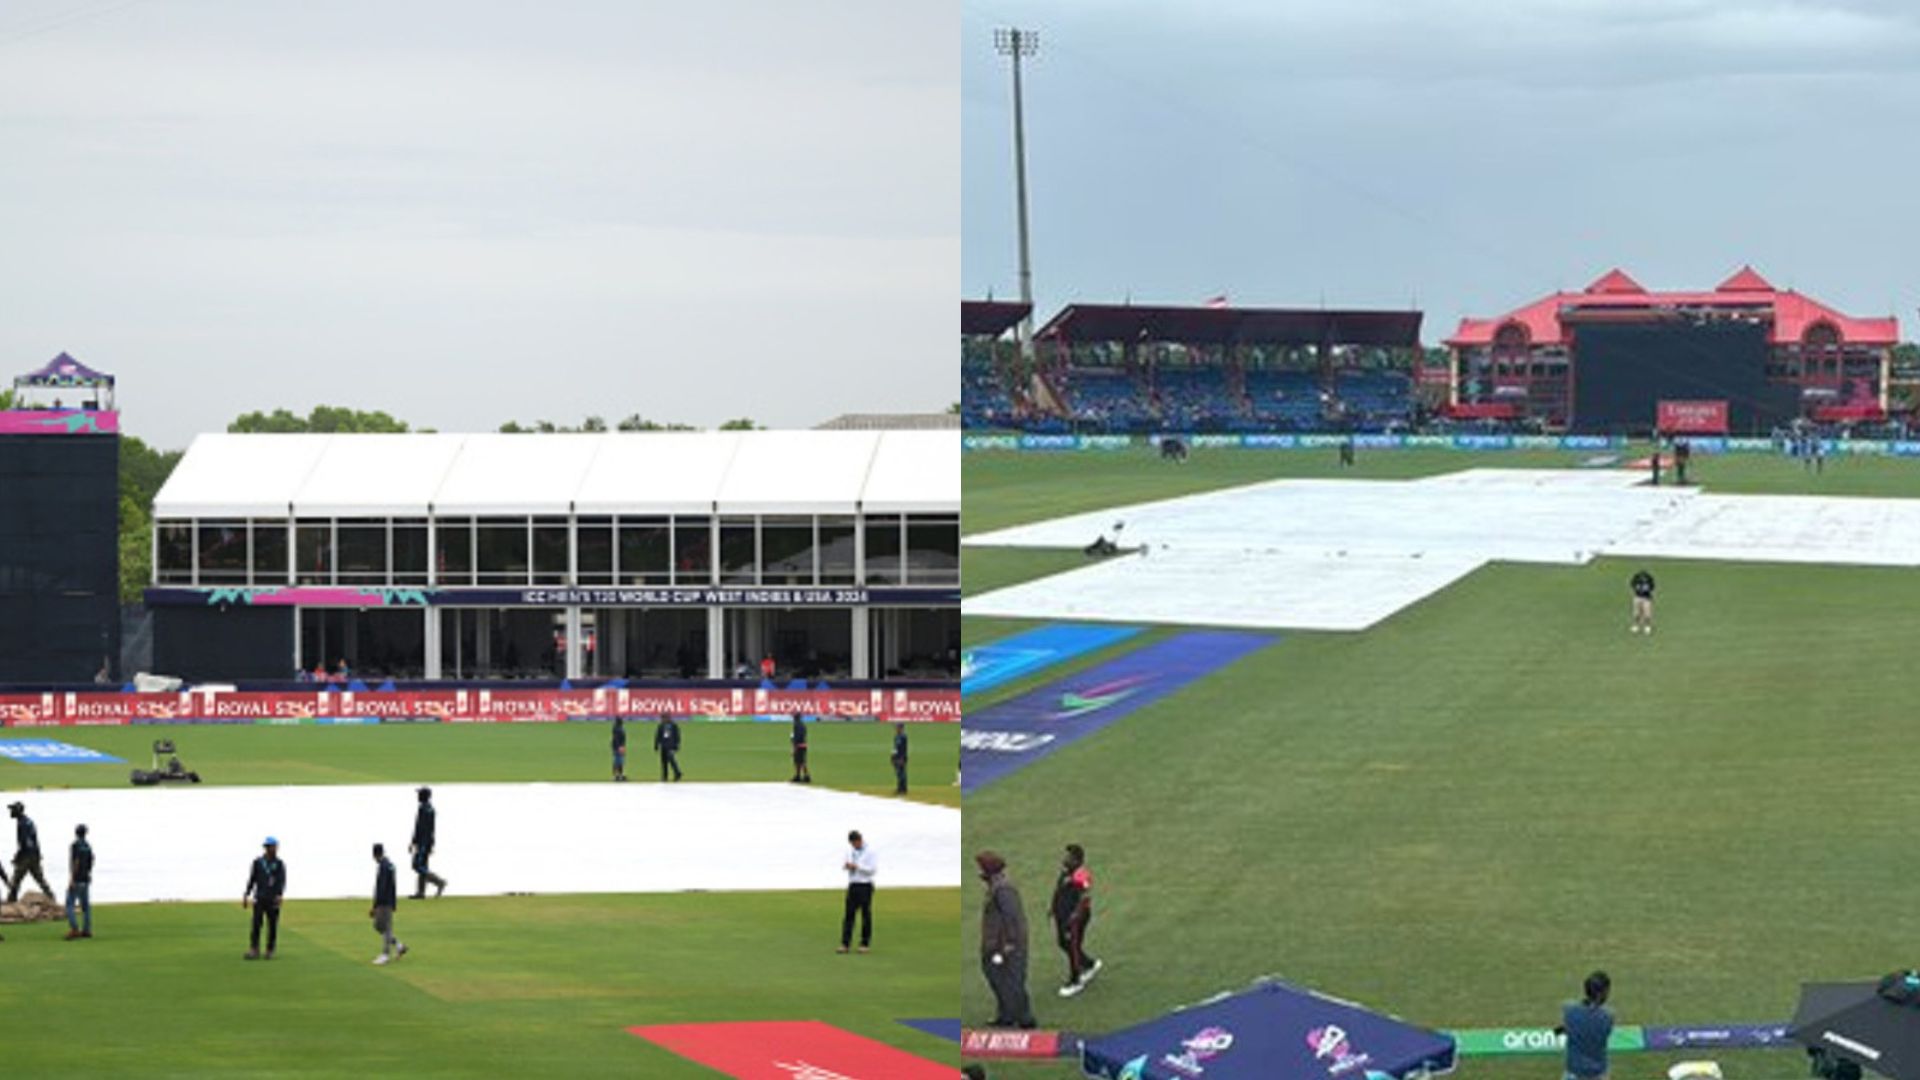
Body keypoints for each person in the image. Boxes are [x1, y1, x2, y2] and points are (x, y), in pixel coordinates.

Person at [978, 851, 1035, 1028]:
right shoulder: (997, 886)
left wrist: (1009, 944)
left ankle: (1025, 1019)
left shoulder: (1003, 889)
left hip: (1005, 946)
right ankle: (1006, 1015)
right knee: (998, 978)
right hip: (995, 945)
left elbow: (1012, 918)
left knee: (1011, 981)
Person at [1050, 844, 1102, 997]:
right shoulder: (1066, 871)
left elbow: (1084, 897)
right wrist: (1053, 907)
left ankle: (1075, 980)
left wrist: (1076, 914)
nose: (1065, 859)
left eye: (1069, 857)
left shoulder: (1080, 874)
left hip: (1074, 918)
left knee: (1072, 946)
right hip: (1063, 915)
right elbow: (1060, 890)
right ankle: (1089, 964)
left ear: (1077, 859)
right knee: (1063, 942)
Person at [1556, 971, 1614, 1080]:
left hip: (1573, 1073)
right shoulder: (1608, 1016)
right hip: (1598, 1074)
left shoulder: (1569, 1010)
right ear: (1601, 994)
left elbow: (1563, 1028)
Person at [242, 837, 287, 960]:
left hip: (273, 899)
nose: (274, 849)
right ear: (266, 848)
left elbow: (281, 881)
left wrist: (279, 894)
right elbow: (252, 879)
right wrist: (247, 894)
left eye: (275, 846)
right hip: (260, 897)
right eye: (272, 847)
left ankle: (270, 949)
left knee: (272, 925)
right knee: (256, 924)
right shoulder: (258, 863)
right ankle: (254, 949)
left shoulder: (279, 864)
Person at [369, 843, 408, 965]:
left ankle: (385, 955)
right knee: (380, 927)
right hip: (388, 902)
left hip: (383, 903)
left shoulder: (383, 866)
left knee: (383, 927)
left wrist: (375, 906)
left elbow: (382, 887)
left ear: (375, 854)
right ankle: (399, 946)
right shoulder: (389, 865)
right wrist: (394, 903)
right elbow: (393, 886)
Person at [6, 800, 53, 902]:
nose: (11, 812)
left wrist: (18, 857)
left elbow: (26, 843)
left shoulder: (22, 824)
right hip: (34, 854)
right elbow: (34, 840)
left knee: (16, 879)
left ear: (18, 811)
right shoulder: (28, 821)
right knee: (40, 879)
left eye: (13, 810)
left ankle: (11, 901)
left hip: (27, 856)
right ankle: (51, 898)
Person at [838, 830, 876, 954]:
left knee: (865, 915)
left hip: (865, 885)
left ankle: (864, 943)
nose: (854, 846)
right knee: (849, 915)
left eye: (855, 843)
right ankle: (845, 943)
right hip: (853, 884)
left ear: (859, 840)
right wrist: (847, 866)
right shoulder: (850, 851)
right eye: (852, 844)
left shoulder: (870, 851)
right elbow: (844, 864)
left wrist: (858, 867)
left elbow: (872, 870)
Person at [409, 787, 447, 899]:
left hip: (423, 842)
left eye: (419, 794)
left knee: (417, 866)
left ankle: (439, 882)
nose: (417, 796)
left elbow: (420, 827)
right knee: (423, 866)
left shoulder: (424, 809)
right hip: (426, 842)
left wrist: (415, 842)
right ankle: (421, 892)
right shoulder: (429, 809)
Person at [64, 824, 93, 940]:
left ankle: (74, 928)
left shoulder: (75, 845)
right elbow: (92, 860)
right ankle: (86, 929)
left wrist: (71, 878)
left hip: (77, 878)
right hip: (85, 878)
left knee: (69, 904)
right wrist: (88, 872)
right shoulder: (88, 846)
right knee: (85, 906)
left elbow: (76, 862)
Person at [654, 715, 683, 782]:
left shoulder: (673, 725)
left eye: (663, 718)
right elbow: (658, 735)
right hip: (663, 746)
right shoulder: (661, 726)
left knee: (671, 759)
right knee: (664, 762)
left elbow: (677, 735)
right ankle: (665, 776)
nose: (662, 720)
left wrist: (677, 744)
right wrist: (656, 745)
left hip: (670, 745)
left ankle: (677, 773)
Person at [1629, 569, 1656, 635]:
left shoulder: (1649, 579)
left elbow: (1652, 587)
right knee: (1636, 613)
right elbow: (1632, 585)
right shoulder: (1636, 579)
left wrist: (1647, 590)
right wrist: (1636, 588)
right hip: (1637, 597)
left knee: (1647, 613)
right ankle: (1636, 626)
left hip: (1646, 598)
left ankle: (1647, 627)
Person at [790, 713, 812, 784]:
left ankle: (802, 776)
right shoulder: (803, 725)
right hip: (804, 744)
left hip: (799, 745)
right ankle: (803, 775)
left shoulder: (796, 725)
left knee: (798, 762)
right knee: (801, 761)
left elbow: (797, 737)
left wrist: (794, 745)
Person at [890, 723, 909, 796]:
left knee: (902, 773)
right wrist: (892, 756)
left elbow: (904, 749)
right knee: (898, 773)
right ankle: (899, 788)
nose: (896, 729)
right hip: (896, 757)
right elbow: (895, 747)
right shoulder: (896, 737)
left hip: (901, 757)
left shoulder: (903, 737)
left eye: (898, 727)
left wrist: (902, 758)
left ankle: (903, 789)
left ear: (901, 728)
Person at [610, 716, 628, 782]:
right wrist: (620, 747)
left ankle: (619, 775)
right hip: (618, 747)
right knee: (618, 761)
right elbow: (617, 739)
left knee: (619, 761)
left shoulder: (617, 728)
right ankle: (617, 775)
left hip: (618, 746)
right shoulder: (618, 729)